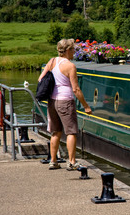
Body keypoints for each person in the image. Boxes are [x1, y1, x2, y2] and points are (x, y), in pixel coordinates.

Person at [38, 38, 92, 170]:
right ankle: (72, 162)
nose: (74, 52)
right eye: (73, 49)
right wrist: (86, 106)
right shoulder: (70, 66)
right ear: (68, 50)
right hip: (65, 101)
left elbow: (40, 79)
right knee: (71, 132)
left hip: (52, 101)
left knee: (56, 132)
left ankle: (53, 161)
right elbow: (76, 89)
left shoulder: (52, 61)